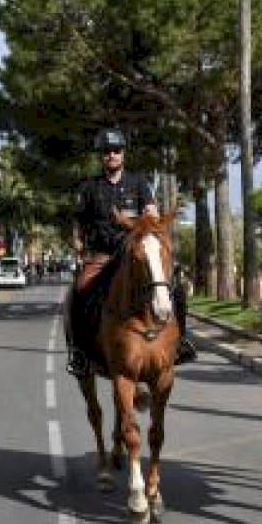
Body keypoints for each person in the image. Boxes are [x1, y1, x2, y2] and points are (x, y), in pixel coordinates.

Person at [66, 128, 196, 378]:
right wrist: (78, 244)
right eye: (107, 152)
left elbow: (152, 213)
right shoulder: (89, 187)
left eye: (116, 151)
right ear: (101, 156)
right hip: (102, 256)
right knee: (80, 290)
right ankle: (80, 352)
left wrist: (150, 219)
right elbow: (78, 223)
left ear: (123, 154)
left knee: (174, 287)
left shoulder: (139, 183)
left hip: (134, 252)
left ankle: (181, 342)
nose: (112, 155)